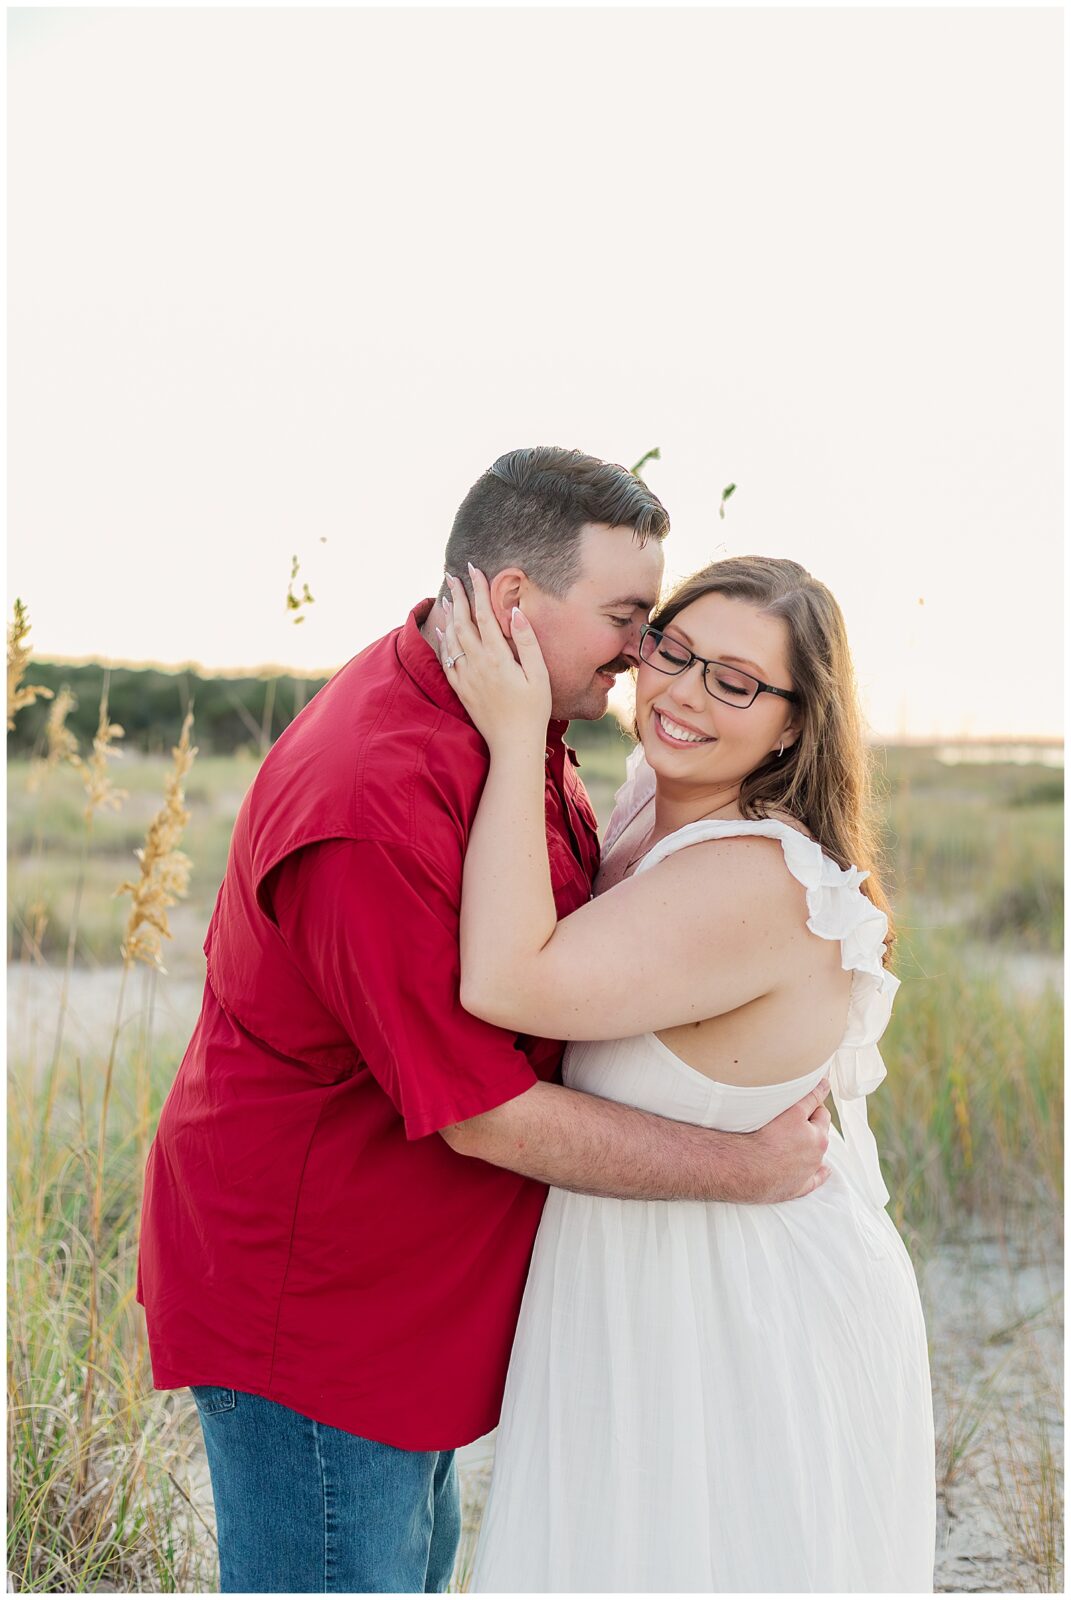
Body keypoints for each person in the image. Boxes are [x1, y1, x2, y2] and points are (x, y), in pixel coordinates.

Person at [136, 449, 834, 1595]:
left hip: (407, 1304)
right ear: (513, 603)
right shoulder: (371, 801)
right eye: (626, 616)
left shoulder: (505, 721)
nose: (642, 651)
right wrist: (746, 1169)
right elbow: (485, 1114)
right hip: (321, 1310)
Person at [438, 555, 936, 1593]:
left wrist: (516, 725)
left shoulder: (751, 875)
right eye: (675, 650)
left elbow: (505, 980)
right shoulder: (652, 808)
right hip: (652, 1272)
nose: (684, 692)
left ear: (797, 724)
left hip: (740, 1308)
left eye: (737, 681)